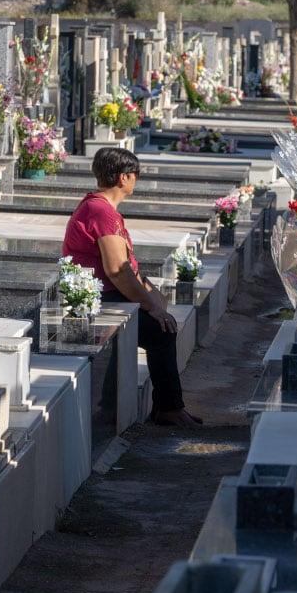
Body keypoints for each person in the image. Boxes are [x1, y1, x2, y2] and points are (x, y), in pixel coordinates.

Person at [62, 147, 202, 427]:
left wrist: (154, 298)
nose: (136, 180)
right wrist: (150, 306)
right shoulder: (100, 211)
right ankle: (168, 409)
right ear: (124, 178)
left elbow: (126, 269)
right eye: (135, 174)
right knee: (160, 332)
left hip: (107, 293)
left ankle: (137, 406)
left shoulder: (98, 207)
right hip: (98, 298)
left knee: (160, 320)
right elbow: (116, 270)